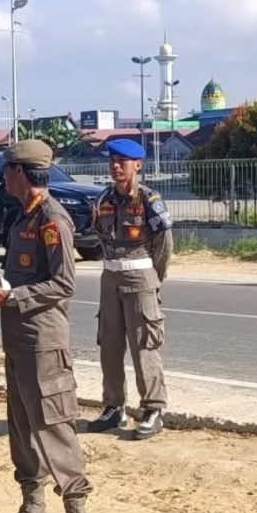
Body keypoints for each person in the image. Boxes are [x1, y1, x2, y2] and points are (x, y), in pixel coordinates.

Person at [0, 140, 94, 513]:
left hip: (44, 343)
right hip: (18, 340)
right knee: (22, 428)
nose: (2, 176)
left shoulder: (52, 219)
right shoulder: (21, 216)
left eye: (7, 169)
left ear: (23, 173)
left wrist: (11, 298)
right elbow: (19, 275)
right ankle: (33, 509)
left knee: (53, 428)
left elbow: (64, 283)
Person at [86, 139, 174, 440]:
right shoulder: (103, 199)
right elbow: (101, 238)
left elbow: (164, 245)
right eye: (112, 161)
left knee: (144, 346)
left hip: (140, 278)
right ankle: (113, 406)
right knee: (109, 345)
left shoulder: (149, 200)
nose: (115, 166)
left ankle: (153, 408)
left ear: (138, 165)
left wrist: (153, 278)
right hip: (110, 278)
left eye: (122, 161)